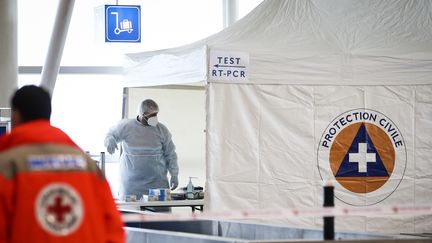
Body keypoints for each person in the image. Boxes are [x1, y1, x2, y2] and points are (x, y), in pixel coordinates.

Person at [0, 85, 125, 243]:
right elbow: (113, 227)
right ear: (48, 114)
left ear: (15, 115)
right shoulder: (87, 165)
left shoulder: (6, 165)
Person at [104, 99, 179, 203]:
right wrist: (110, 140)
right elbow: (110, 134)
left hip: (157, 183)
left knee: (160, 216)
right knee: (131, 214)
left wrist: (174, 174)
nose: (155, 117)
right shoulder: (126, 126)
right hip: (130, 185)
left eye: (156, 114)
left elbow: (170, 154)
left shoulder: (161, 129)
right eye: (152, 115)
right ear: (143, 114)